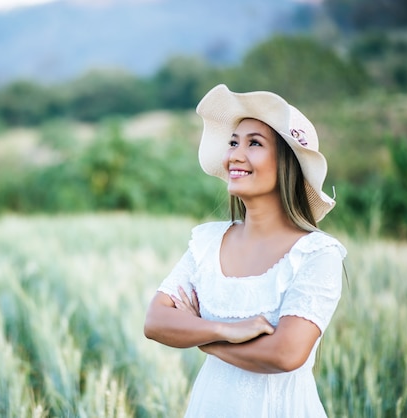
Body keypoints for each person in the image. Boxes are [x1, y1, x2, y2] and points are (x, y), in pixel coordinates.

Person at [144, 84, 347, 417]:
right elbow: (155, 321)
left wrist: (200, 334)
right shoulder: (207, 242)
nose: (235, 155)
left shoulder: (317, 254)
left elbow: (286, 354)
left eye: (254, 143)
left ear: (288, 162)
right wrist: (228, 330)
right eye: (233, 142)